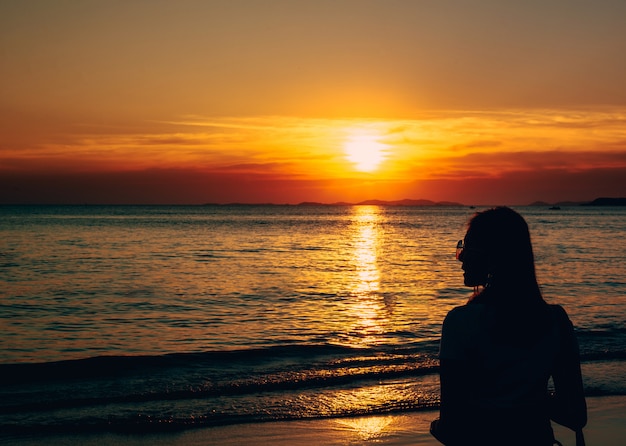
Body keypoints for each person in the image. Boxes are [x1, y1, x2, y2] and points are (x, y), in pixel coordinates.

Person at [430, 207, 587, 446]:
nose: (460, 256)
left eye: (467, 247)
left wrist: (438, 427)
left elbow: (452, 424)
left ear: (492, 256)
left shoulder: (460, 322)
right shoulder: (555, 320)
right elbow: (574, 414)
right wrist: (529, 402)